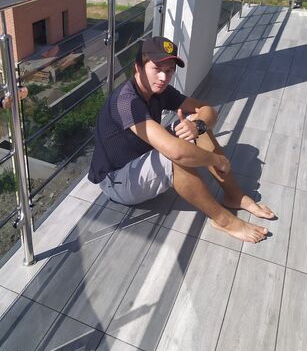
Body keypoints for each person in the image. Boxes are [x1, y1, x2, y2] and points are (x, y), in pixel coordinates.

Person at [88, 37, 274, 243]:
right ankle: (224, 220)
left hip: (142, 156)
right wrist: (216, 160)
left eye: (169, 71)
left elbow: (208, 110)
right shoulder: (126, 102)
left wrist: (198, 125)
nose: (163, 77)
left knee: (196, 125)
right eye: (156, 68)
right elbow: (176, 153)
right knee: (174, 157)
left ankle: (234, 195)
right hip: (116, 180)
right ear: (137, 67)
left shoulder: (159, 91)